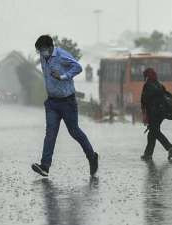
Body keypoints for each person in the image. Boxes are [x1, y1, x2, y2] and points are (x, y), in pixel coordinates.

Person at [31, 35, 99, 177]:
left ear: (50, 47)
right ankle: (45, 166)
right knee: (50, 134)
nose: (41, 53)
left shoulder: (61, 55)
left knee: (74, 132)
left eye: (42, 50)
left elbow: (78, 67)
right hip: (52, 102)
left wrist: (63, 76)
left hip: (67, 101)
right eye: (39, 51)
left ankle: (92, 157)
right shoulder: (44, 58)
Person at [140, 68, 172, 161]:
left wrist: (144, 113)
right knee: (152, 132)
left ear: (147, 76)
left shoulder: (148, 85)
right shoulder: (159, 84)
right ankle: (148, 154)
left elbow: (144, 101)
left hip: (153, 113)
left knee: (154, 131)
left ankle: (170, 147)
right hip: (161, 113)